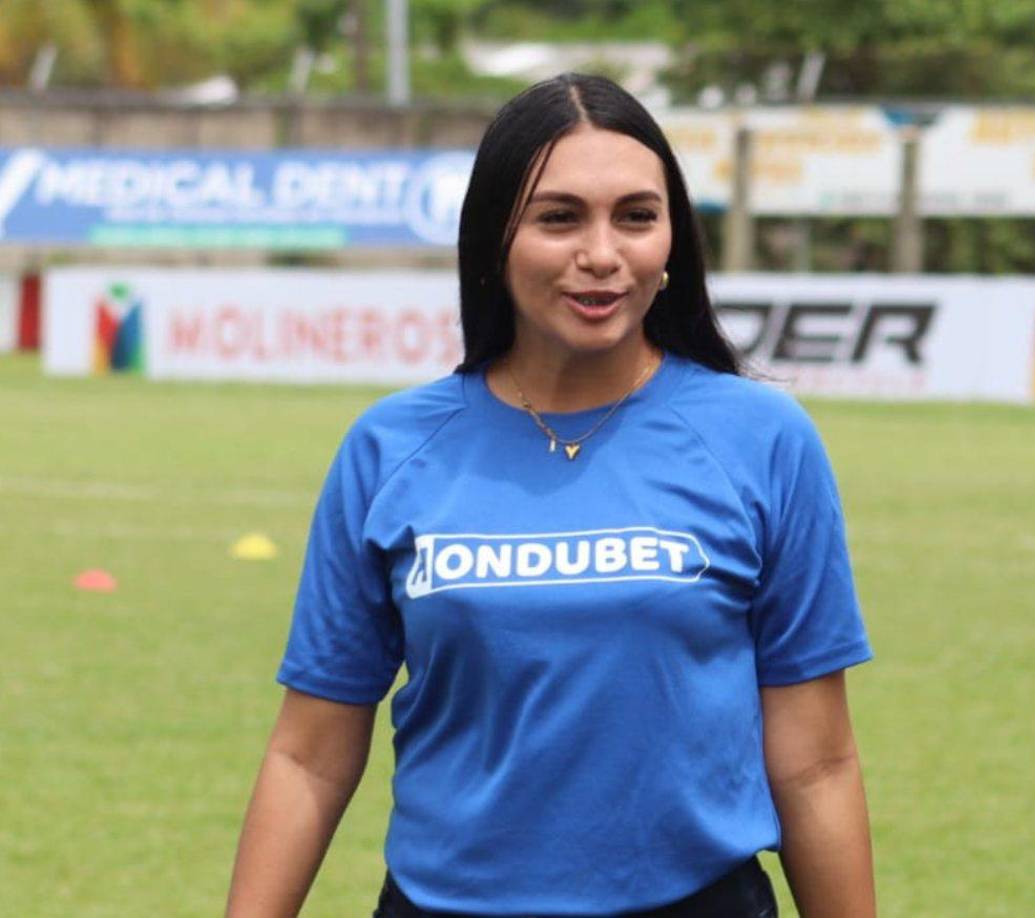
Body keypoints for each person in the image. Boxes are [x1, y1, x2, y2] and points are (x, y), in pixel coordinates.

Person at [226, 73, 875, 918]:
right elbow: (309, 758)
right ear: (495, 237)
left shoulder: (762, 439)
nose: (602, 254)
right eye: (559, 218)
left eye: (636, 217)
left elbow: (816, 763)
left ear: (673, 239)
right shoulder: (389, 449)